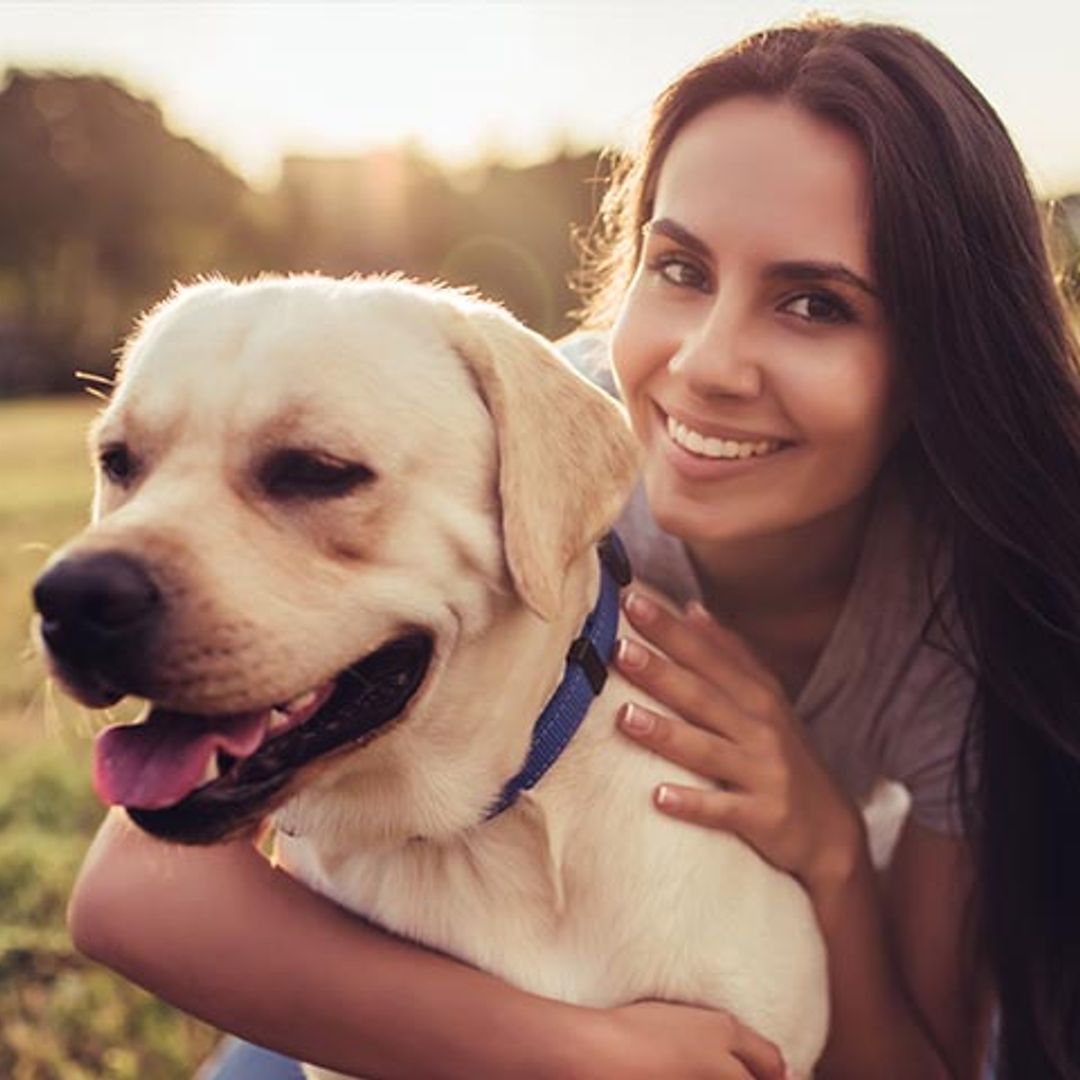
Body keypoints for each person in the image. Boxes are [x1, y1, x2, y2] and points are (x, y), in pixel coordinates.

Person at [66, 17, 1080, 1079]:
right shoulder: (543, 440)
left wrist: (828, 853)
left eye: (815, 303)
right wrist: (578, 1056)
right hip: (457, 966)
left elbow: (919, 1065)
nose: (706, 363)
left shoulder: (970, 605)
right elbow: (132, 893)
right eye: (679, 267)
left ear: (942, 356)